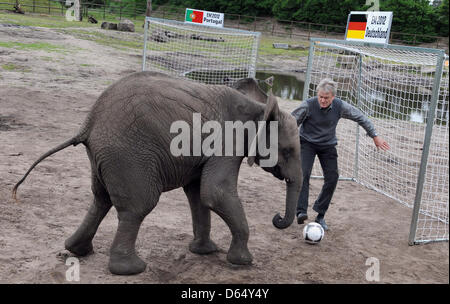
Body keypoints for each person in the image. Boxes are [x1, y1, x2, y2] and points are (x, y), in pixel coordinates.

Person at [291, 78, 390, 231]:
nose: (323, 100)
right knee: (303, 174)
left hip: (328, 145)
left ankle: (320, 214)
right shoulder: (308, 105)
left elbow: (360, 117)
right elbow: (291, 122)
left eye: (326, 98)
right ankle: (301, 211)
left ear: (333, 97)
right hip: (307, 143)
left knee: (332, 177)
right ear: (317, 94)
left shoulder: (340, 106)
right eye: (320, 97)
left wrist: (375, 136)